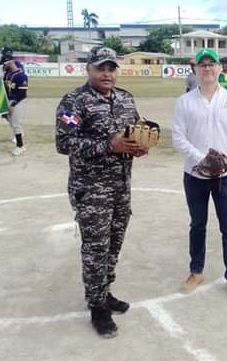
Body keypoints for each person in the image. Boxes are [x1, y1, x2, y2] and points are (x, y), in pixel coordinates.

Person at [55, 47, 148, 338]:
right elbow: (64, 143)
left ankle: (104, 291)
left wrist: (139, 145)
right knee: (96, 248)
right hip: (91, 189)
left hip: (121, 186)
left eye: (111, 68)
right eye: (100, 68)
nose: (107, 74)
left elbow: (135, 130)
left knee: (114, 244)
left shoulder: (125, 99)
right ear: (89, 69)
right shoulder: (74, 102)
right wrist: (109, 145)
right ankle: (97, 306)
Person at [172, 48, 227, 302]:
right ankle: (196, 271)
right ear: (195, 69)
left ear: (219, 68)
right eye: (202, 64)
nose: (207, 68)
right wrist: (203, 160)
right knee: (197, 225)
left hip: (226, 176)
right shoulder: (184, 102)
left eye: (211, 64)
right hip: (195, 175)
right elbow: (178, 137)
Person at [0, 48, 29, 156]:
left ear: (10, 62)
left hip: (19, 101)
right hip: (9, 100)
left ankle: (20, 146)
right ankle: (19, 135)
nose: (3, 66)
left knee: (15, 123)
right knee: (9, 119)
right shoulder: (7, 74)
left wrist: (12, 105)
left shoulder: (21, 76)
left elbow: (22, 94)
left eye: (4, 64)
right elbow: (4, 88)